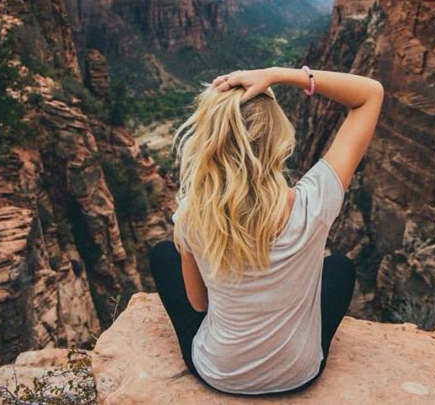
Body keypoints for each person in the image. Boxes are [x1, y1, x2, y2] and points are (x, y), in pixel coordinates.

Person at [149, 66, 384, 396]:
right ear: (277, 139)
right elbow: (370, 94)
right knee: (339, 268)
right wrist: (277, 74)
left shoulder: (192, 214)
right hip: (299, 374)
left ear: (210, 142)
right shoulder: (313, 203)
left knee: (162, 255)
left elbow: (199, 304)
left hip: (218, 373)